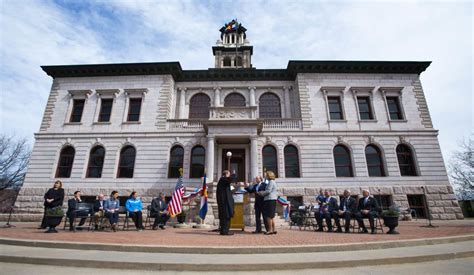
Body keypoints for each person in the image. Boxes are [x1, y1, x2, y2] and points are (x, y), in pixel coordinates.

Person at [258, 171, 278, 235]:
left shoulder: (271, 182)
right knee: (272, 216)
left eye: (266, 175)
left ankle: (270, 230)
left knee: (268, 216)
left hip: (269, 200)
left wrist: (260, 193)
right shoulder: (273, 182)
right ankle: (274, 229)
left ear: (269, 176)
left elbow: (268, 191)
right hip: (272, 200)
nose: (265, 177)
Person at [216, 170, 235, 235]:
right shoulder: (223, 179)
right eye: (229, 174)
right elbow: (230, 180)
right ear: (226, 174)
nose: (229, 176)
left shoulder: (222, 180)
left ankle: (223, 230)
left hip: (223, 202)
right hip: (224, 202)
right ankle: (225, 231)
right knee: (226, 216)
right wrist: (234, 174)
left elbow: (229, 186)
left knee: (224, 216)